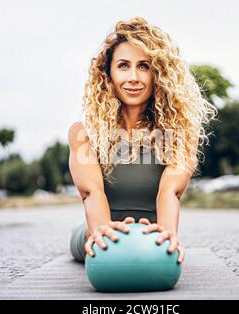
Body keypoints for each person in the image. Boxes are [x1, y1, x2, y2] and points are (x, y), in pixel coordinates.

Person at [68, 17, 217, 265]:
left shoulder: (181, 133)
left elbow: (170, 191)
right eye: (123, 66)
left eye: (144, 66)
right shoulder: (83, 133)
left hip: (150, 236)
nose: (134, 77)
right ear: (108, 74)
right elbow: (90, 193)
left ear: (158, 74)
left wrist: (168, 234)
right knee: (94, 239)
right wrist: (103, 233)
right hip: (96, 231)